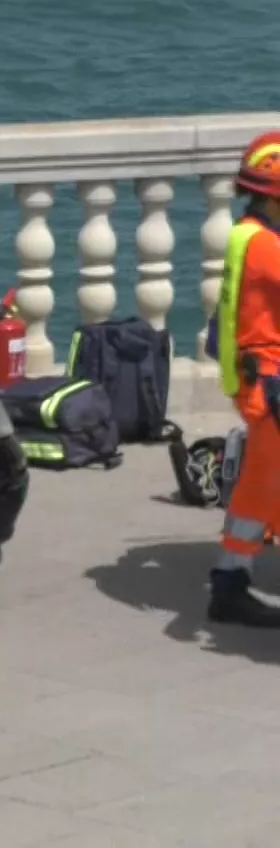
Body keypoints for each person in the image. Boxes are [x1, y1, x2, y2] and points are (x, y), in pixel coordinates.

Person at [208, 131, 280, 627]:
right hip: (270, 382)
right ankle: (230, 583)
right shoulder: (267, 248)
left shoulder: (247, 234)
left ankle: (231, 578)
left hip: (257, 379)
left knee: (263, 481)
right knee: (263, 485)